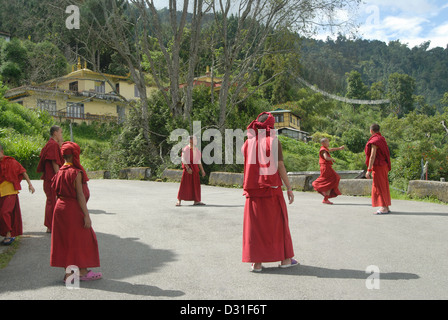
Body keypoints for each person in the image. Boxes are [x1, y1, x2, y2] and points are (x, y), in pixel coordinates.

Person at [241, 112, 298, 272]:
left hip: (253, 190)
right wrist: (289, 187)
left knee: (255, 226)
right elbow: (280, 166)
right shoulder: (273, 141)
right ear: (271, 126)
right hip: (271, 190)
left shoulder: (247, 143)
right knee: (278, 224)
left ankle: (256, 263)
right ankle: (285, 259)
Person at [50, 141, 101, 282]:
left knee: (64, 241)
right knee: (83, 239)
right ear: (74, 155)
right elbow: (79, 195)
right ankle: (79, 274)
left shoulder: (59, 172)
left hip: (59, 208)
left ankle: (71, 273)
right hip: (72, 208)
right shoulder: (75, 172)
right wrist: (86, 215)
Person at [0, 143, 35, 245]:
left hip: (10, 192)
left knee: (4, 213)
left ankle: (8, 234)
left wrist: (30, 184)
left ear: (2, 151)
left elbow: (22, 171)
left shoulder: (11, 161)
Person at [37, 125, 64, 233]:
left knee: (51, 201)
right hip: (52, 178)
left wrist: (60, 144)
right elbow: (54, 162)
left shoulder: (51, 144)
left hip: (49, 178)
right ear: (55, 133)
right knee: (52, 202)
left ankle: (50, 225)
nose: (61, 135)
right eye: (60, 132)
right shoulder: (52, 145)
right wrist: (59, 177)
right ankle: (50, 226)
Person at [365, 124, 391, 214]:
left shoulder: (375, 140)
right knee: (384, 185)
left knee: (379, 186)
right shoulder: (381, 138)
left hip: (378, 166)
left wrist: (368, 170)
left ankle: (383, 207)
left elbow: (372, 156)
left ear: (371, 131)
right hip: (384, 165)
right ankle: (386, 206)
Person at [312, 138, 344, 205]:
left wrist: (339, 148)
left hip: (326, 167)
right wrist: (332, 159)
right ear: (323, 143)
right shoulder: (323, 150)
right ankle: (316, 184)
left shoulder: (325, 148)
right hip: (325, 167)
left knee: (330, 181)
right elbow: (326, 157)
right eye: (327, 142)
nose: (328, 143)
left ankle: (325, 198)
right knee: (335, 178)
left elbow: (331, 149)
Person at [176, 136, 206, 206]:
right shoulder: (185, 149)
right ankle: (179, 200)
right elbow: (183, 159)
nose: (196, 141)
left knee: (196, 185)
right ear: (190, 140)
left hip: (195, 169)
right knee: (184, 185)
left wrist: (202, 170)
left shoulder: (196, 149)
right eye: (195, 139)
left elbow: (198, 160)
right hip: (188, 169)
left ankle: (197, 201)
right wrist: (187, 168)